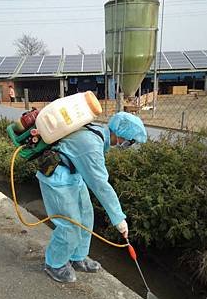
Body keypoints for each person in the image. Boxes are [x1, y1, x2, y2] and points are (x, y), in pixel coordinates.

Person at [38, 111, 147, 283]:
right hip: (57, 179)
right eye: (129, 142)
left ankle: (77, 257)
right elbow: (101, 186)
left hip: (74, 175)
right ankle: (55, 263)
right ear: (121, 136)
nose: (126, 146)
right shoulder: (91, 145)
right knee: (70, 224)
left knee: (86, 216)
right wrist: (119, 219)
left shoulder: (97, 133)